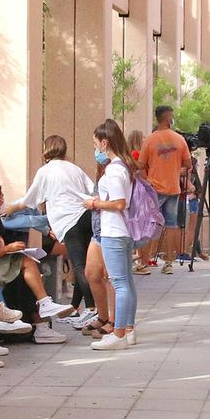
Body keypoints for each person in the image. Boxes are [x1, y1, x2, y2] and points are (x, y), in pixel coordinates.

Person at [6, 135, 99, 329]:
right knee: (81, 264)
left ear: (46, 149)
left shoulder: (45, 171)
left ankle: (92, 309)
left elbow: (29, 200)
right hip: (86, 216)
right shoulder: (74, 168)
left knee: (79, 265)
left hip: (69, 220)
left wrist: (11, 208)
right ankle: (76, 307)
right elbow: (92, 190)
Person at [0, 179, 74, 324]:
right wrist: (7, 249)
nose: (3, 200)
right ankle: (43, 305)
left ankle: (41, 309)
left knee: (28, 267)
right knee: (26, 263)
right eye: (1, 196)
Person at [83, 119, 140, 349]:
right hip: (122, 231)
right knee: (126, 282)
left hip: (114, 231)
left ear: (105, 143)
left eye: (96, 144)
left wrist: (95, 203)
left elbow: (119, 203)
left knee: (120, 283)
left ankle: (119, 334)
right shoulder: (124, 166)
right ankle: (128, 329)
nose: (96, 148)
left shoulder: (115, 169)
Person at [140, 106, 190, 274]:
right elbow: (188, 163)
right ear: (169, 118)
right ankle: (168, 263)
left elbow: (141, 164)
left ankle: (144, 262)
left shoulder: (150, 139)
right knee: (171, 225)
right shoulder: (179, 139)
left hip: (154, 188)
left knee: (149, 224)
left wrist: (147, 178)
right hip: (173, 188)